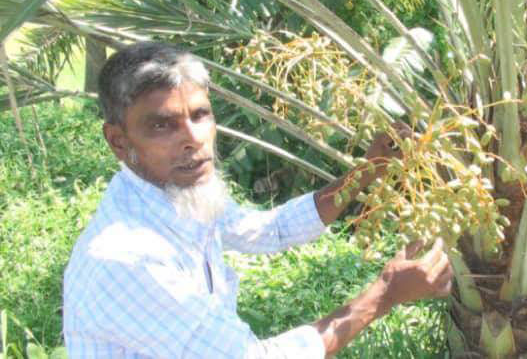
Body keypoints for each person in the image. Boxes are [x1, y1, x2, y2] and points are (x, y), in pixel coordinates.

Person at [63, 42, 453, 358]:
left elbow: (271, 230)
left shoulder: (176, 196)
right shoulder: (126, 257)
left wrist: (367, 171)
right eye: (162, 125)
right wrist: (386, 292)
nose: (193, 139)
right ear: (118, 141)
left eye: (200, 115)